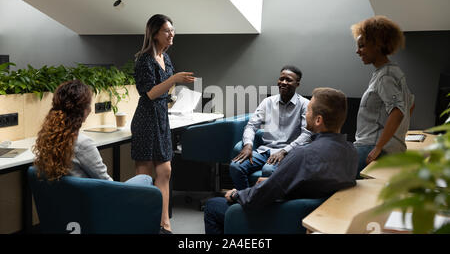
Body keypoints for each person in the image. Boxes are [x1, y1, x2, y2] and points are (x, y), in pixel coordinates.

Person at [204, 88, 358, 234]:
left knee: (212, 206)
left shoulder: (303, 154)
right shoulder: (352, 152)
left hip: (285, 216)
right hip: (318, 217)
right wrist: (273, 181)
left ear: (318, 120)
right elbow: (315, 183)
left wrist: (237, 194)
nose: (306, 114)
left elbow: (259, 197)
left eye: (309, 111)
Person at [131, 14, 195, 234]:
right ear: (155, 33)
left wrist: (171, 89)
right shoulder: (144, 59)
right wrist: (173, 79)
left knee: (165, 171)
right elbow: (148, 94)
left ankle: (164, 223)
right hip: (146, 119)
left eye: (172, 30)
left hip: (161, 118)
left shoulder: (165, 58)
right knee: (144, 176)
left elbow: (164, 91)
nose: (171, 34)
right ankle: (144, 224)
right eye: (167, 31)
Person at [33, 80, 153, 187]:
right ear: (84, 110)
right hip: (92, 206)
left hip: (64, 205)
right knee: (144, 179)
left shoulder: (47, 137)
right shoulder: (82, 143)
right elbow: (106, 183)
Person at [229, 65, 312, 190]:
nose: (283, 82)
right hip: (265, 151)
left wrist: (284, 151)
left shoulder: (305, 104)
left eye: (288, 80)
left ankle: (264, 204)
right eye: (281, 79)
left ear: (297, 84)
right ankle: (245, 200)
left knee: (268, 169)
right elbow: (251, 126)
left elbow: (307, 134)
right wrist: (248, 145)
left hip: (288, 153)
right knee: (236, 166)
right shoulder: (268, 102)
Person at [351, 15, 415, 175]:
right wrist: (398, 135)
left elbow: (398, 111)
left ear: (377, 44)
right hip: (390, 149)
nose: (357, 51)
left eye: (362, 46)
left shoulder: (385, 75)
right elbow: (410, 105)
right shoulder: (395, 72)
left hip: (372, 148)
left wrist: (379, 146)